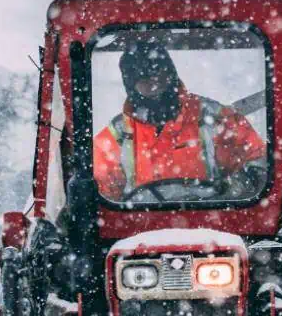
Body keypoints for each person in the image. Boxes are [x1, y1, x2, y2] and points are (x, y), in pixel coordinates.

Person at [93, 39, 268, 202]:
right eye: (144, 80)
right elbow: (99, 191)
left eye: (159, 75)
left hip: (213, 226)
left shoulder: (214, 118)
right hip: (141, 232)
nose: (155, 84)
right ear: (131, 85)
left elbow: (258, 161)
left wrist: (230, 194)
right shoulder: (118, 134)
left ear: (171, 74)